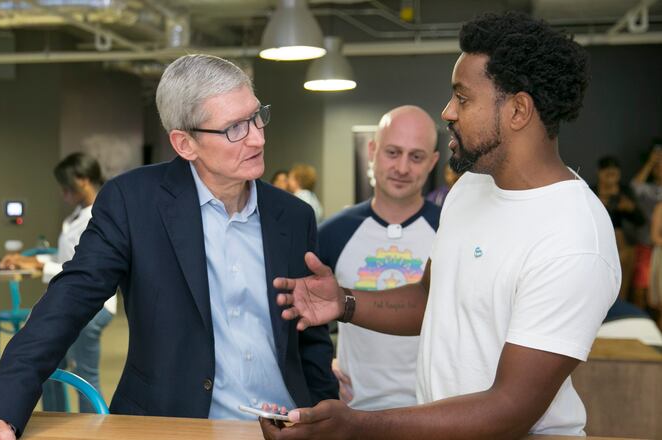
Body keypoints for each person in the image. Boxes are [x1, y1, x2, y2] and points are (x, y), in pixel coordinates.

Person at [0, 54, 337, 440]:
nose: (257, 139)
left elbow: (308, 335)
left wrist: (329, 409)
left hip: (285, 426)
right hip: (172, 424)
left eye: (257, 117)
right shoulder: (134, 202)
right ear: (184, 143)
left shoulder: (293, 216)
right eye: (234, 128)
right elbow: (67, 302)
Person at [261, 11, 619, 439]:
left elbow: (510, 409)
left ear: (518, 110)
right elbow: (433, 298)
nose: (447, 111)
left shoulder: (574, 237)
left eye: (463, 98)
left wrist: (356, 427)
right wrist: (345, 301)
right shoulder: (470, 188)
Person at [319, 105, 440, 410]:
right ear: (372, 151)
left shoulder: (452, 230)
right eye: (392, 152)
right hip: (355, 413)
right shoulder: (333, 233)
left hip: (435, 412)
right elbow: (302, 309)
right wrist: (319, 367)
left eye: (416, 156)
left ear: (433, 162)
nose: (402, 168)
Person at [0, 152, 117, 413]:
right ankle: (55, 417)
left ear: (83, 180)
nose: (63, 193)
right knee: (49, 368)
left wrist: (39, 265)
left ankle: (95, 429)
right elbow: (67, 257)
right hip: (69, 300)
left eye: (66, 186)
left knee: (85, 375)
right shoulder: (78, 214)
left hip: (94, 304)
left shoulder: (99, 215)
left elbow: (84, 270)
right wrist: (29, 259)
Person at [592, 156, 644, 299]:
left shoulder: (624, 192)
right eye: (607, 174)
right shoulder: (591, 192)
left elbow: (641, 220)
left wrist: (630, 208)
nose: (610, 179)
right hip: (596, 242)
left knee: (625, 255)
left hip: (624, 243)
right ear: (599, 173)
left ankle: (621, 298)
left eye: (614, 174)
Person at [630, 141, 662, 309]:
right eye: (658, 162)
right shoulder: (648, 188)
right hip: (646, 243)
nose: (660, 165)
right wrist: (650, 163)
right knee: (641, 288)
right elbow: (634, 187)